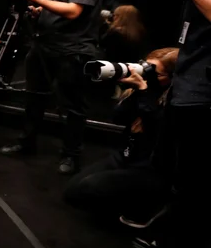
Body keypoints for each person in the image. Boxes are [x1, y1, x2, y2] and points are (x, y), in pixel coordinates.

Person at [110, 0, 211, 248]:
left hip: (206, 94)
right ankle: (171, 243)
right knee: (180, 179)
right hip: (189, 84)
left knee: (198, 189)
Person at [0, 0, 105, 175]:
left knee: (71, 106)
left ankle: (71, 154)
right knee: (34, 97)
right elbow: (57, 2)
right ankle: (27, 142)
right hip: (45, 43)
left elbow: (73, 10)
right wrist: (39, 9)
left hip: (73, 48)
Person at [64, 48, 177, 221]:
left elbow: (158, 128)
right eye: (146, 67)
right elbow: (118, 117)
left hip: (150, 168)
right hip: (126, 157)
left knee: (90, 188)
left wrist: (144, 92)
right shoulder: (144, 91)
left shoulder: (175, 101)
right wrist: (135, 92)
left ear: (171, 77)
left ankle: (144, 210)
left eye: (155, 72)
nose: (147, 74)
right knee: (72, 191)